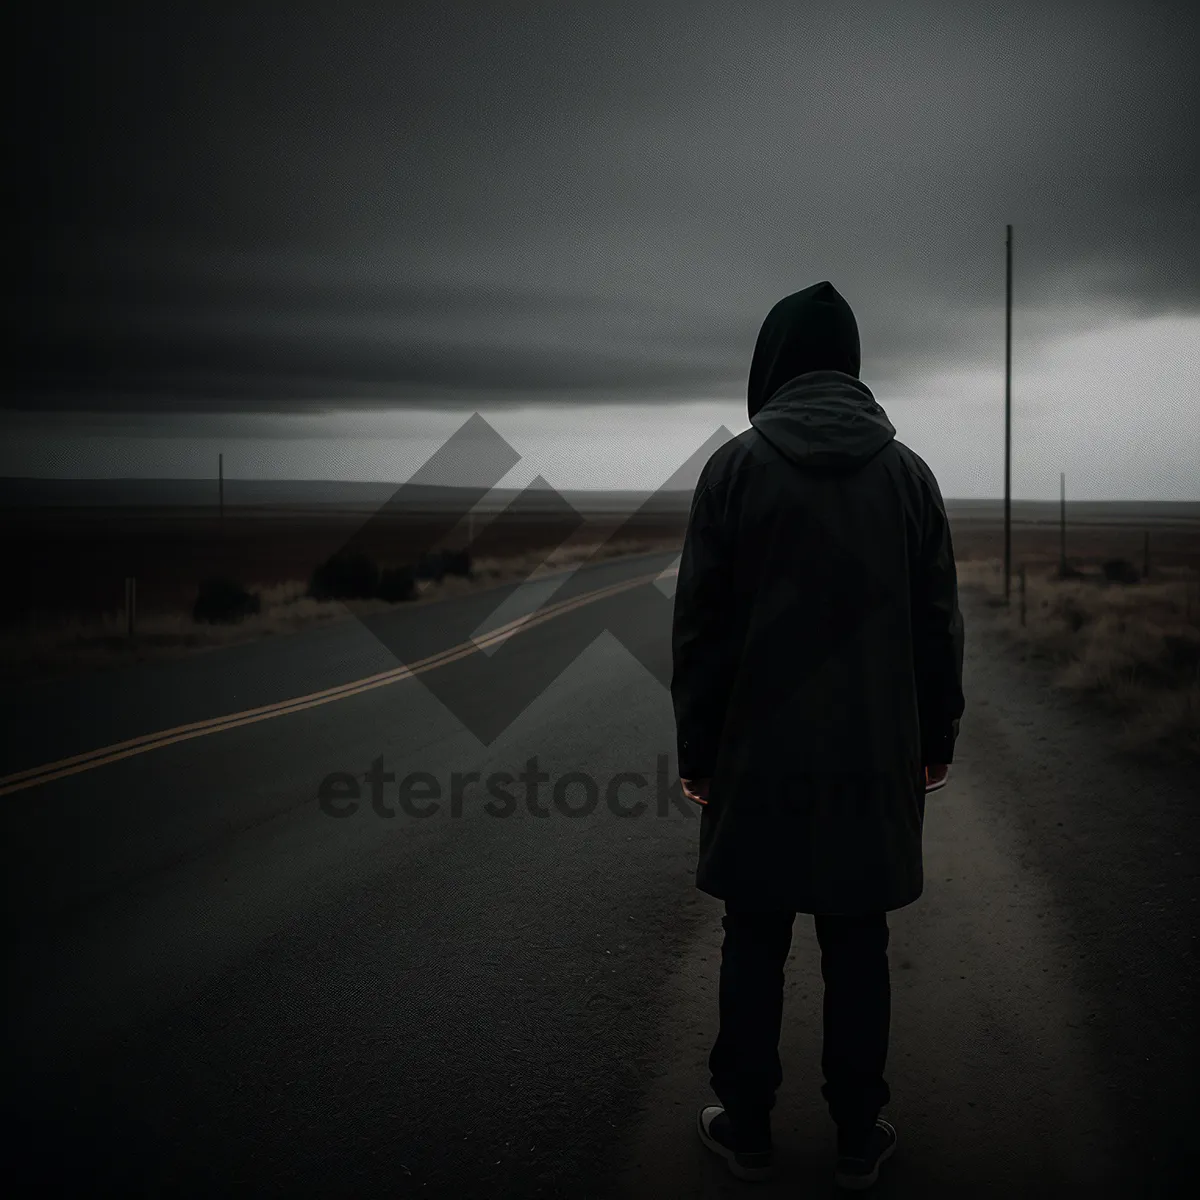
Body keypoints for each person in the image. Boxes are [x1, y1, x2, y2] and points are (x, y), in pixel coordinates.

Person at [670, 280, 965, 1190]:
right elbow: (937, 623)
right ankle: (854, 1135)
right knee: (857, 935)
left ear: (772, 362)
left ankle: (747, 1128)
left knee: (753, 932)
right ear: (853, 363)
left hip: (757, 752)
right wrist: (936, 738)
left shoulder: (734, 471)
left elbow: (701, 630)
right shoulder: (909, 474)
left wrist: (699, 751)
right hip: (871, 752)